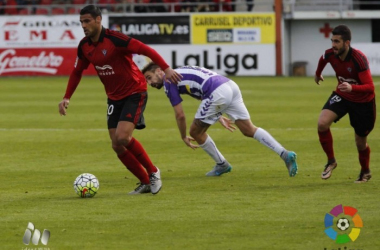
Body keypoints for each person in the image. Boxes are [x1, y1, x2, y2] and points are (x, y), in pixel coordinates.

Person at [58, 5, 182, 195]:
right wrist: (67, 97)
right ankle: (145, 182)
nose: (83, 25)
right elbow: (77, 71)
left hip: (134, 91)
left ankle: (153, 172)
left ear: (98, 20)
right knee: (116, 145)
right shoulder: (85, 46)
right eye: (81, 22)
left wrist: (166, 69)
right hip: (114, 97)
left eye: (87, 21)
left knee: (123, 137)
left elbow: (145, 49)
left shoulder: (116, 39)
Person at [142, 63, 298, 177]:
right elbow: (199, 88)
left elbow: (180, 114)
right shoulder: (180, 70)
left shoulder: (169, 82)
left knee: (195, 132)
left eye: (149, 77)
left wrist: (183, 136)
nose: (150, 83)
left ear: (159, 71)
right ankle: (285, 154)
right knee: (248, 129)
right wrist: (218, 114)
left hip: (217, 93)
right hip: (229, 85)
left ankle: (222, 165)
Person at [314, 24, 376, 183]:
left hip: (363, 103)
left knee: (360, 142)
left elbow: (370, 87)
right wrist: (317, 74)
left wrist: (352, 87)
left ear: (347, 43)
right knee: (322, 123)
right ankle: (331, 161)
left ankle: (365, 171)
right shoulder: (330, 54)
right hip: (342, 96)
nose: (333, 45)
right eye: (332, 41)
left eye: (337, 42)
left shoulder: (358, 59)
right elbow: (323, 59)